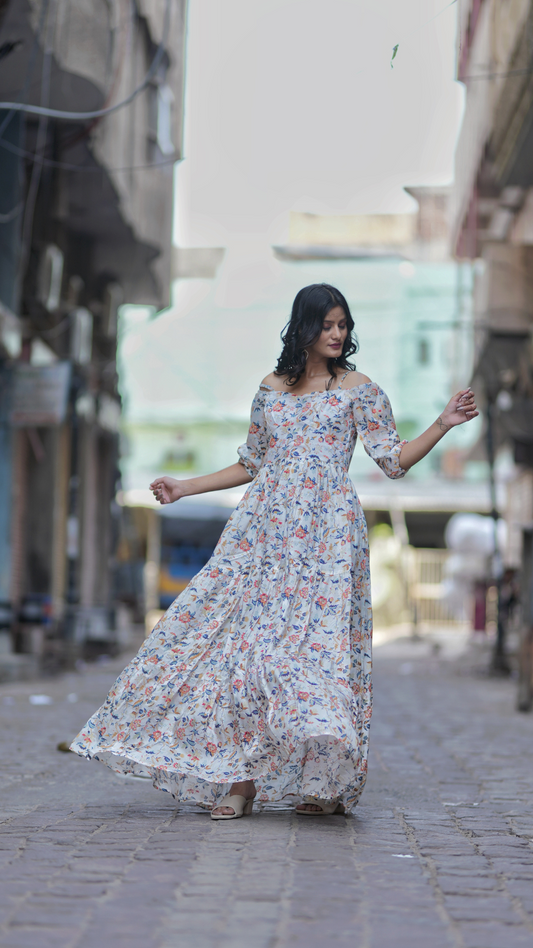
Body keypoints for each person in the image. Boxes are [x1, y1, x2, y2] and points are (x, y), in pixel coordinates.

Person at [71, 284, 478, 819]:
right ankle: (240, 784)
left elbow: (393, 460)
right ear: (304, 328)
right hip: (263, 535)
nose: (337, 335)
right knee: (247, 655)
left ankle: (323, 784)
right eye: (328, 325)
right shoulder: (270, 389)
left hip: (328, 539)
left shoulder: (361, 390)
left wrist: (442, 425)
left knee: (319, 660)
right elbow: (252, 462)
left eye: (343, 325)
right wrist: (184, 487)